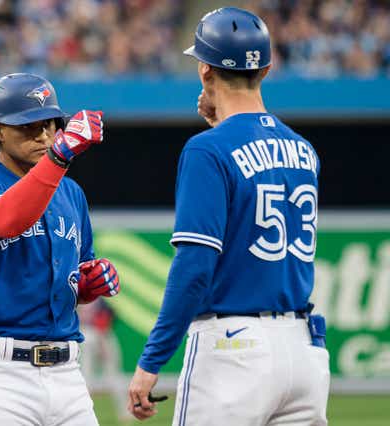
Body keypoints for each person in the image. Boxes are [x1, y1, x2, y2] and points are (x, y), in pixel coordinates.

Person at [128, 7, 329, 425]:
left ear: (205, 70)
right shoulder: (304, 150)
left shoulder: (207, 149)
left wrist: (151, 361)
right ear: (267, 69)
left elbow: (195, 267)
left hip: (233, 351)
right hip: (304, 350)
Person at [0, 72, 121, 426]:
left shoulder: (72, 194)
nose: (43, 135)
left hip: (68, 374)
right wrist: (60, 157)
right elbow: (3, 222)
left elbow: (72, 284)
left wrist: (89, 285)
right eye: (27, 126)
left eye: (50, 124)